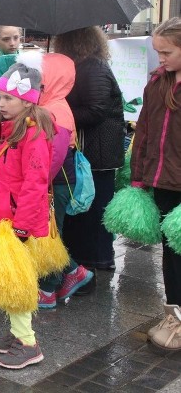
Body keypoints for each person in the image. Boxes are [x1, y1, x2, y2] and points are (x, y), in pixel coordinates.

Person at [0, 61, 55, 370]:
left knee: (18, 282)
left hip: (19, 222)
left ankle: (28, 342)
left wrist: (21, 227)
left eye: (8, 98)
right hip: (1, 218)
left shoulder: (34, 136)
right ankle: (16, 332)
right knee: (7, 278)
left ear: (28, 101)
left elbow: (34, 185)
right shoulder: (4, 131)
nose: (1, 104)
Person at [52, 27, 125, 272]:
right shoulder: (87, 65)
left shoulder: (93, 67)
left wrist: (60, 117)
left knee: (94, 209)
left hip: (98, 152)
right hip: (93, 149)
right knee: (87, 208)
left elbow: (95, 110)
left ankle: (96, 260)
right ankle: (88, 259)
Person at [130, 18, 181, 349]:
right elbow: (144, 132)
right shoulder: (157, 84)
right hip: (162, 181)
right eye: (157, 52)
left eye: (166, 52)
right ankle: (174, 315)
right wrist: (138, 175)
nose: (160, 58)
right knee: (170, 251)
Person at [36, 53, 95, 309]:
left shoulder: (54, 109)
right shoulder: (49, 105)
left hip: (54, 183)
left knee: (49, 234)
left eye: (40, 78)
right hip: (51, 182)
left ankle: (49, 288)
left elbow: (55, 155)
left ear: (52, 80)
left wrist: (38, 182)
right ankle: (72, 272)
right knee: (48, 232)